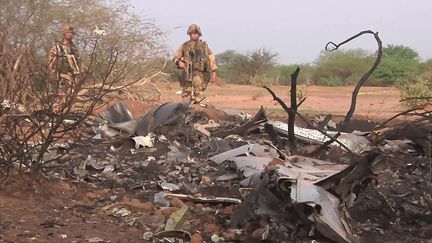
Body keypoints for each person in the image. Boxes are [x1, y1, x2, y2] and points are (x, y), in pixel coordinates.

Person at [173, 24, 217, 101]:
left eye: (196, 33)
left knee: (198, 95)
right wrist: (179, 62)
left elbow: (211, 58)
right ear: (189, 34)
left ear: (199, 34)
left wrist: (213, 72)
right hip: (187, 73)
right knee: (186, 94)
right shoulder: (185, 46)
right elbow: (176, 57)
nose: (194, 35)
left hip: (199, 74)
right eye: (193, 33)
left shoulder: (204, 46)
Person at [48, 24, 81, 111]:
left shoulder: (73, 48)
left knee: (71, 97)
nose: (70, 34)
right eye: (68, 32)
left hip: (72, 76)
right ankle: (56, 113)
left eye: (71, 33)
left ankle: (67, 113)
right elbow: (51, 62)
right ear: (64, 34)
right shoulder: (57, 47)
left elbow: (78, 62)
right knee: (59, 96)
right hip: (61, 75)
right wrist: (52, 75)